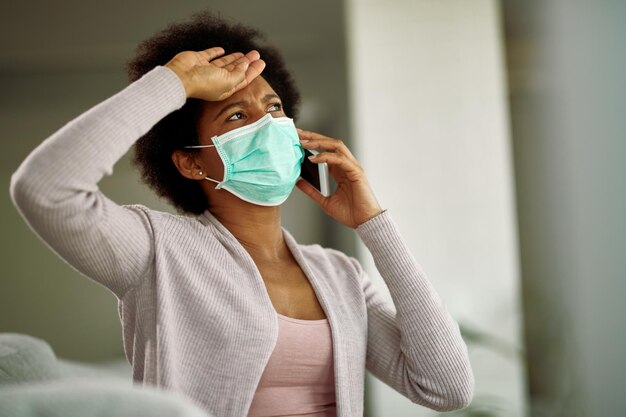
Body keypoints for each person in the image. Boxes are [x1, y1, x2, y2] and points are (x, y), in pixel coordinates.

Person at [10, 11, 473, 417]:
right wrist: (175, 83)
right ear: (190, 162)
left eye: (273, 108)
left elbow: (447, 387)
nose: (266, 124)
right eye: (235, 116)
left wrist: (374, 224)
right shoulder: (157, 251)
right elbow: (46, 189)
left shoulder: (341, 276)